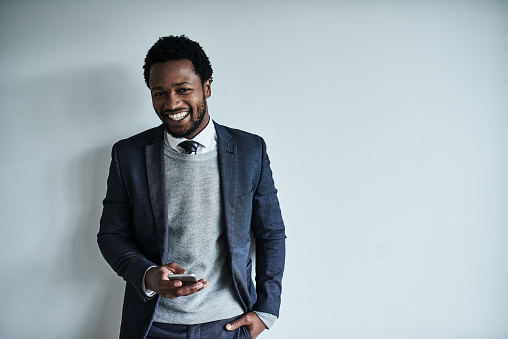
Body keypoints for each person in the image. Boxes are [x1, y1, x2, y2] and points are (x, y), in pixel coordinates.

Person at [97, 35, 286, 339]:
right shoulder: (128, 155)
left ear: (207, 87)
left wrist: (267, 310)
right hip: (153, 325)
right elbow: (111, 235)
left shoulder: (251, 150)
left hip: (229, 324)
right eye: (159, 93)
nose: (171, 104)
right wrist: (147, 275)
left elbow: (270, 233)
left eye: (183, 90)